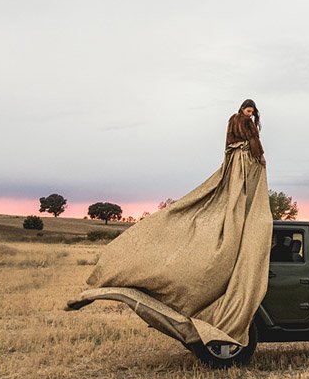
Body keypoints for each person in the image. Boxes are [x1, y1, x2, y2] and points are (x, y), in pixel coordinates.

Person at [67, 99, 273, 349]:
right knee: (237, 204)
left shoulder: (232, 122)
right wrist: (259, 157)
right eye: (248, 110)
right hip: (243, 162)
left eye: (251, 112)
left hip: (234, 162)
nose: (250, 114)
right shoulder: (244, 124)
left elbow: (227, 144)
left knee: (231, 204)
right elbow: (253, 144)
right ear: (243, 109)